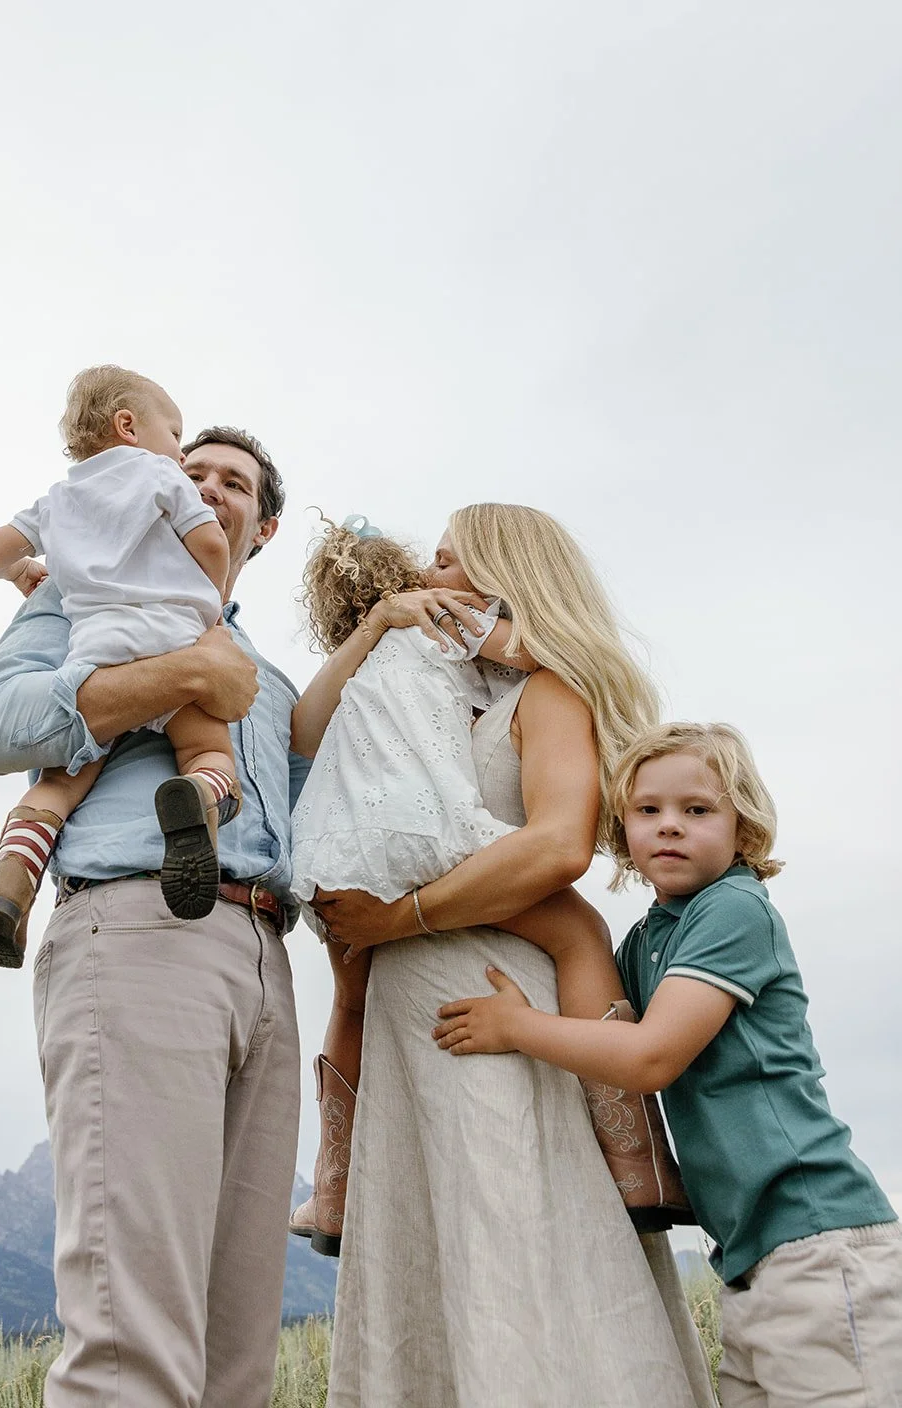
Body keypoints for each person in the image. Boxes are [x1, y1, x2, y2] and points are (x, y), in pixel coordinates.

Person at [303, 505, 717, 1408]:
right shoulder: (433, 693)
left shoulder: (548, 691)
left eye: (451, 561)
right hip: (412, 1004)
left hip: (485, 994)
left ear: (503, 578)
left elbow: (557, 848)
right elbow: (316, 745)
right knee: (422, 1241)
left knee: (510, 1226)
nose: (429, 574)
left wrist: (398, 918)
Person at [0, 425, 305, 1408]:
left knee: (238, 1355)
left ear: (261, 525)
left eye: (230, 482)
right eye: (187, 472)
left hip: (268, 955)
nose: (203, 488)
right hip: (141, 925)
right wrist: (177, 679)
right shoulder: (74, 595)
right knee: (130, 1345)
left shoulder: (269, 683)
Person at [435, 721, 902, 1407]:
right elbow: (602, 1025)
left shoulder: (734, 909)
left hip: (818, 1245)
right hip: (749, 1260)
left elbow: (648, 1056)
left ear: (742, 829)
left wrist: (518, 1026)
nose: (669, 827)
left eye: (696, 810)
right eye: (646, 811)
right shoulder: (652, 936)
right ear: (620, 829)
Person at [0, 366, 241, 968]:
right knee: (207, 750)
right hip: (174, 637)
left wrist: (20, 571)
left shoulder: (59, 498)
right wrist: (210, 608)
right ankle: (197, 796)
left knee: (61, 781)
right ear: (129, 427)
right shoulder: (161, 476)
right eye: (176, 434)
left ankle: (14, 871)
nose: (180, 449)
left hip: (96, 649)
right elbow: (213, 546)